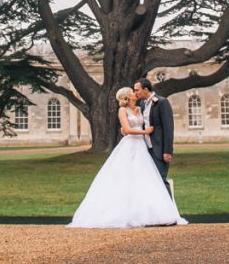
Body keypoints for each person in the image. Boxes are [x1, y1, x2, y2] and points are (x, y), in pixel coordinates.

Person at [67, 87, 187, 228]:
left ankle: (148, 212)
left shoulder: (140, 108)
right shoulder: (122, 110)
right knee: (126, 176)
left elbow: (143, 122)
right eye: (132, 92)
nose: (135, 93)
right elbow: (128, 129)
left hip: (141, 146)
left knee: (144, 178)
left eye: (135, 91)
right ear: (127, 96)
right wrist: (145, 132)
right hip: (130, 145)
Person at [133, 77, 174, 196]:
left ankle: (170, 207)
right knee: (150, 182)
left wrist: (167, 151)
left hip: (159, 149)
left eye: (137, 90)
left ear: (146, 89)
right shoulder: (142, 104)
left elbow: (168, 128)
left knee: (160, 180)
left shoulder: (162, 102)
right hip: (146, 149)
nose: (135, 93)